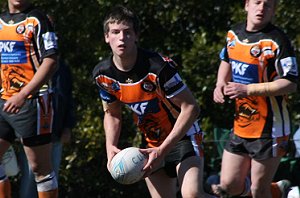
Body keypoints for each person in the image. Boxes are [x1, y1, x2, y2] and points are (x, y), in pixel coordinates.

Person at [93, 5, 214, 198]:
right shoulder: (103, 75)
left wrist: (163, 150)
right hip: (150, 143)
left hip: (183, 137)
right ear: (107, 37)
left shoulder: (158, 67)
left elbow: (191, 108)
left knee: (192, 195)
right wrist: (110, 146)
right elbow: (112, 114)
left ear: (136, 35)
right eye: (115, 32)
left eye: (127, 32)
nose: (122, 38)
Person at [212, 0, 298, 198]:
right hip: (242, 124)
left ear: (274, 10)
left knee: (259, 190)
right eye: (257, 2)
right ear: (246, 5)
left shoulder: (277, 40)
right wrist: (219, 84)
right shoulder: (234, 34)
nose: (261, 8)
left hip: (271, 128)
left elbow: (290, 83)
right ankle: (278, 190)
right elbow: (226, 59)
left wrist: (247, 89)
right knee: (228, 186)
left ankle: (272, 190)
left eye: (267, 5)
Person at [0, 0, 59, 197]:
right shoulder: (0, 21)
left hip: (32, 102)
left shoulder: (37, 19)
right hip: (3, 101)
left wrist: (23, 95)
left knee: (40, 168)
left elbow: (51, 61)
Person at [18, 57, 75, 198]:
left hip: (55, 133)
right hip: (31, 134)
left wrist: (68, 127)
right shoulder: (25, 66)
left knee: (50, 181)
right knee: (30, 182)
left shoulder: (62, 68)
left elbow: (68, 99)